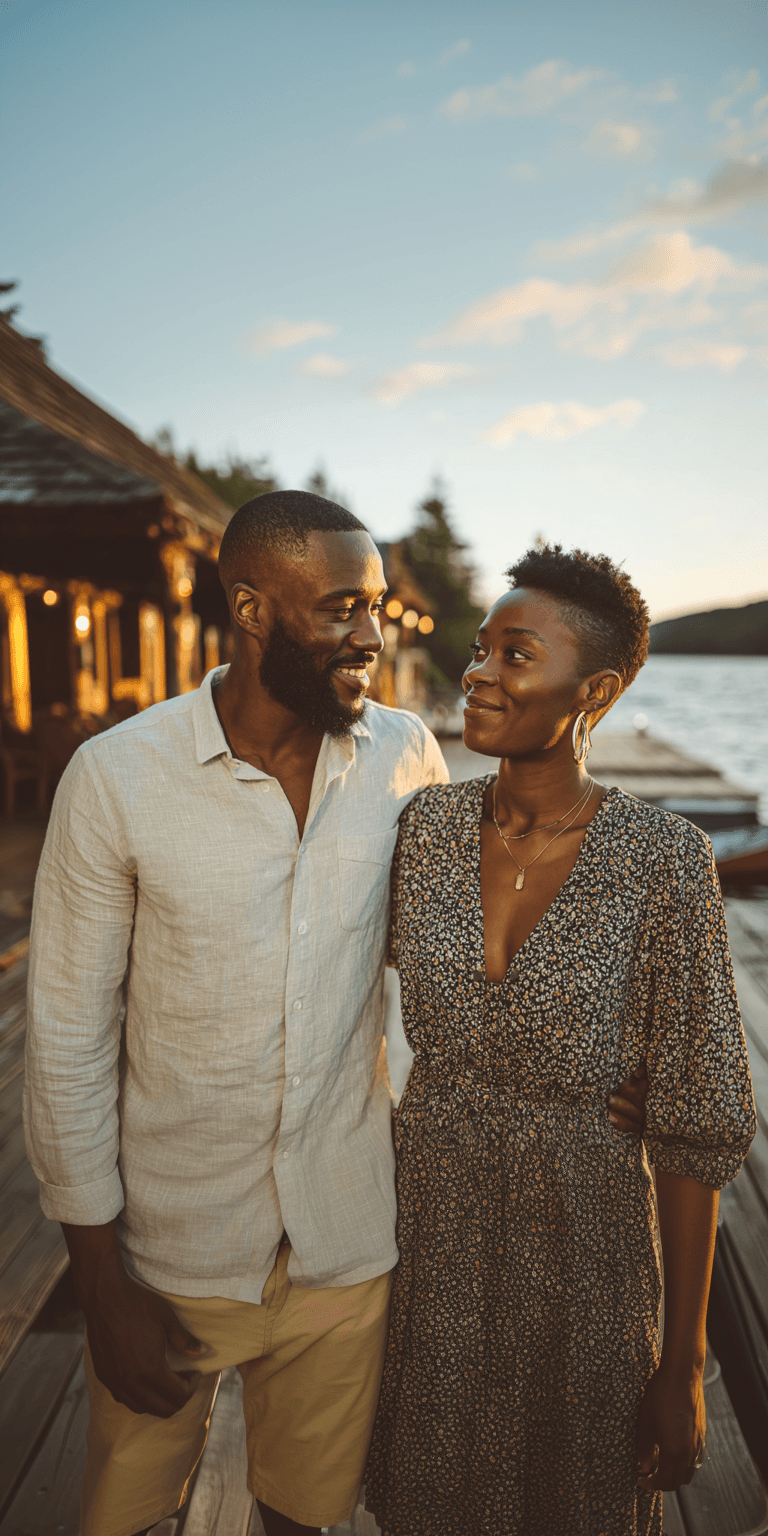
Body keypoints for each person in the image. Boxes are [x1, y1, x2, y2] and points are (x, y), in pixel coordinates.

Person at [24, 499, 647, 1536]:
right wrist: (100, 1285)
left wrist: (597, 1059)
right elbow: (65, 1040)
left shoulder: (408, 758)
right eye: (346, 609)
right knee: (120, 1517)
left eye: (380, 607)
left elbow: (460, 947)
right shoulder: (118, 778)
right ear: (254, 608)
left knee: (305, 1519)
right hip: (172, 1249)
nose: (374, 634)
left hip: (349, 1240)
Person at [365, 544, 756, 1536]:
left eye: (515, 655)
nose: (480, 671)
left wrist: (680, 1366)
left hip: (586, 1249)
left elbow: (698, 1122)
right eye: (484, 648)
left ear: (595, 691)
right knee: (424, 1497)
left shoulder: (666, 861)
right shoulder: (427, 831)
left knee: (575, 1500)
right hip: (433, 1234)